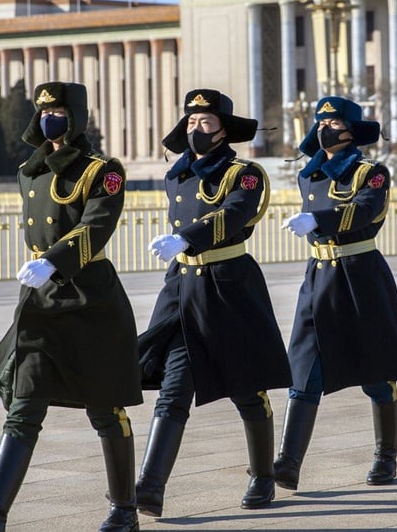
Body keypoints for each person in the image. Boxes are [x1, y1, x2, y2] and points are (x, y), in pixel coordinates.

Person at [0, 82, 143, 532]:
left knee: (104, 408)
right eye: (44, 109)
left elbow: (97, 226)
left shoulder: (102, 170)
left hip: (90, 300)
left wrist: (54, 262)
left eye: (58, 110)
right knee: (24, 405)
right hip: (40, 302)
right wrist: (41, 267)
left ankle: (124, 510)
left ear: (77, 116)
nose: (50, 117)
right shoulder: (28, 170)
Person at [135, 89, 292, 514]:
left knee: (247, 389)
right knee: (173, 389)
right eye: (190, 122)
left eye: (204, 123)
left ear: (224, 129)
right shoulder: (178, 174)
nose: (195, 129)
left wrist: (187, 237)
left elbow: (234, 213)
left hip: (228, 286)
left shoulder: (245, 173)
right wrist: (182, 247)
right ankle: (149, 487)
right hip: (186, 287)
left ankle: (262, 477)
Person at [277, 96, 397, 489]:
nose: (324, 128)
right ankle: (287, 462)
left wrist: (318, 219)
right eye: (320, 122)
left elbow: (363, 210)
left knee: (376, 370)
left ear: (351, 129)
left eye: (333, 122)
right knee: (303, 368)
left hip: (360, 275)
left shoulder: (372, 172)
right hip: (319, 276)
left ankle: (385, 456)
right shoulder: (309, 175)